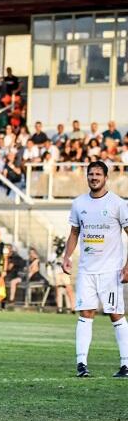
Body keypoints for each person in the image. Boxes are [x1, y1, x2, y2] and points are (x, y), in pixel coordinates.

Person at [62, 161, 128, 378]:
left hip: (111, 271)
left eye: (98, 174)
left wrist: (127, 266)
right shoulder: (79, 203)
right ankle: (81, 364)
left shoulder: (118, 204)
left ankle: (126, 365)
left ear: (106, 177)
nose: (94, 177)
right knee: (85, 313)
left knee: (116, 314)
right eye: (91, 174)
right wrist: (67, 256)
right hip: (86, 271)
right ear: (87, 177)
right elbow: (74, 233)